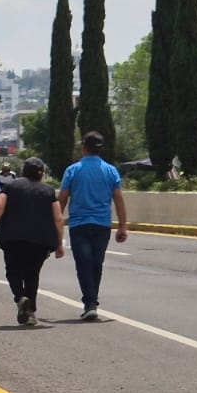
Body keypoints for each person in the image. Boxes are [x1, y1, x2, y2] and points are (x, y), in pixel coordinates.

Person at [57, 131, 128, 321]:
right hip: (102, 225)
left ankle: (90, 302)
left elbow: (62, 199)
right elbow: (119, 199)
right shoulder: (111, 170)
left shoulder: (72, 170)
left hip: (79, 225)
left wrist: (54, 223)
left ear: (83, 147)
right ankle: (91, 302)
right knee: (96, 263)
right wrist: (122, 226)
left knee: (84, 263)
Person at [0, 157, 65, 326]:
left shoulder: (10, 186)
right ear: (41, 174)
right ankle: (30, 312)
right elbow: (58, 218)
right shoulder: (49, 191)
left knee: (12, 271)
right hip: (40, 240)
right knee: (32, 274)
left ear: (23, 171)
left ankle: (20, 298)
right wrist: (59, 243)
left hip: (12, 238)